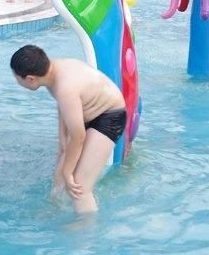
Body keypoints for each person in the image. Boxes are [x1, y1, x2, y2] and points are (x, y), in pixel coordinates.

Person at [10, 44, 127, 214]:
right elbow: (65, 107)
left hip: (109, 117)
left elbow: (78, 136)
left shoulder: (65, 87)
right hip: (88, 113)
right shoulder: (52, 70)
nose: (17, 82)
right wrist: (62, 142)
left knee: (79, 186)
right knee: (59, 176)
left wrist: (68, 172)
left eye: (17, 79)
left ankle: (84, 233)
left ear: (30, 79)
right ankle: (54, 212)